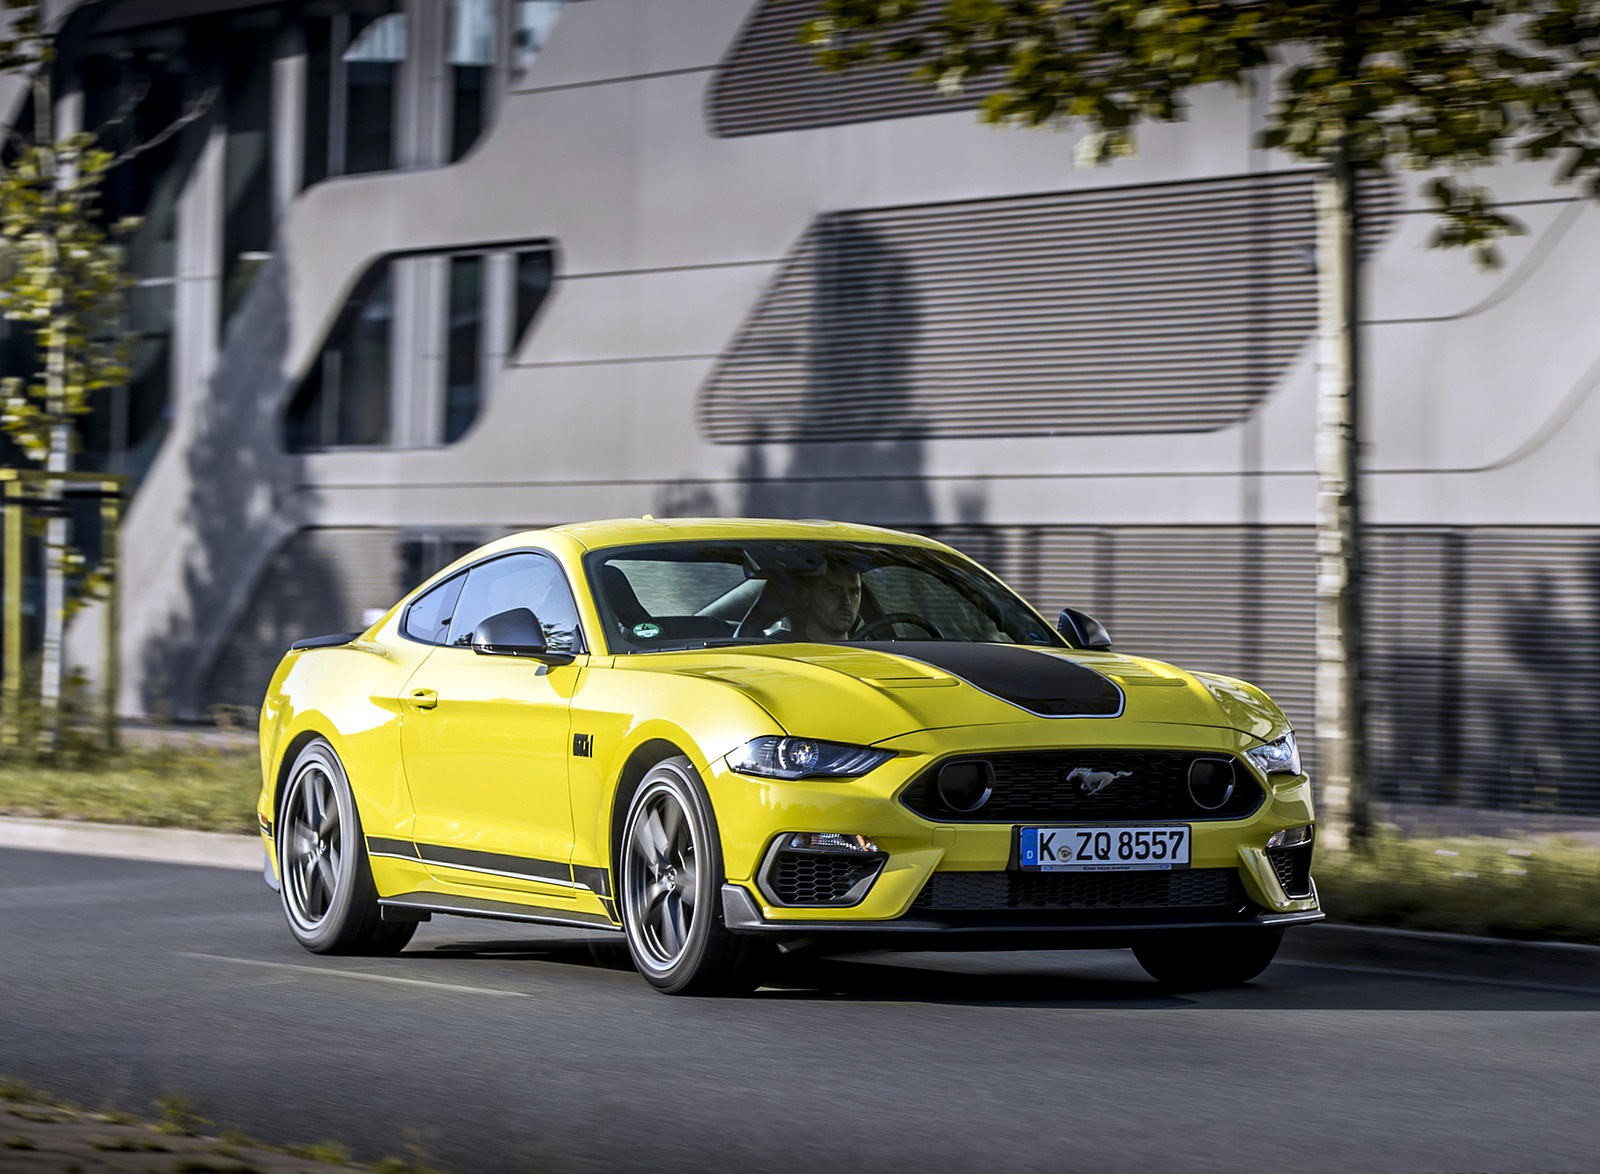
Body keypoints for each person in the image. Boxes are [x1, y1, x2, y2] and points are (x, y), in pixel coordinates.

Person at [793, 562, 862, 641]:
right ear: (806, 596)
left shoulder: (869, 650)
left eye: (853, 592)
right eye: (834, 591)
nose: (847, 601)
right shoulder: (785, 648)